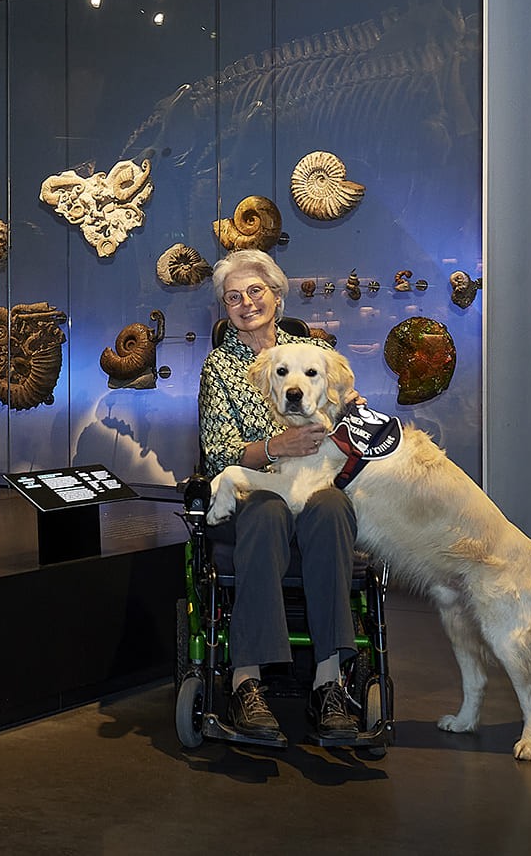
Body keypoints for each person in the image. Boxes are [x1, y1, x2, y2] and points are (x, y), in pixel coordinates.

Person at [197, 248, 361, 747]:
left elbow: (342, 416)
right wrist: (274, 446)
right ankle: (247, 680)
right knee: (267, 512)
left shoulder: (312, 352)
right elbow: (217, 454)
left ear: (276, 294)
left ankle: (328, 682)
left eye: (255, 291)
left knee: (333, 508)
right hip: (253, 491)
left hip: (313, 487)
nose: (246, 303)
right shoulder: (219, 368)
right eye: (233, 297)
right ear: (225, 309)